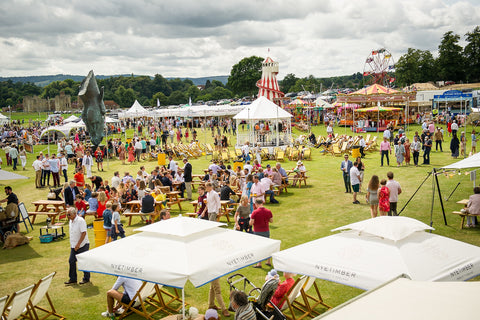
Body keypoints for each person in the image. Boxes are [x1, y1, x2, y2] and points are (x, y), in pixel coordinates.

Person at [65, 207, 90, 285]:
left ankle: (86, 278)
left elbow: (83, 233)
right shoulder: (70, 221)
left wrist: (78, 244)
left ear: (74, 214)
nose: (67, 216)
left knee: (83, 262)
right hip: (74, 245)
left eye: (69, 215)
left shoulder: (80, 221)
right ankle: (73, 279)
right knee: (71, 261)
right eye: (67, 215)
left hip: (83, 245)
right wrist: (74, 245)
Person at [250, 199, 273, 268]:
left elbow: (251, 223)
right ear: (262, 203)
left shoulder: (255, 212)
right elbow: (271, 221)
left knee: (259, 247)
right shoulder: (268, 211)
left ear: (256, 204)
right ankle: (268, 261)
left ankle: (259, 263)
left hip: (257, 231)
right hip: (266, 230)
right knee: (267, 246)